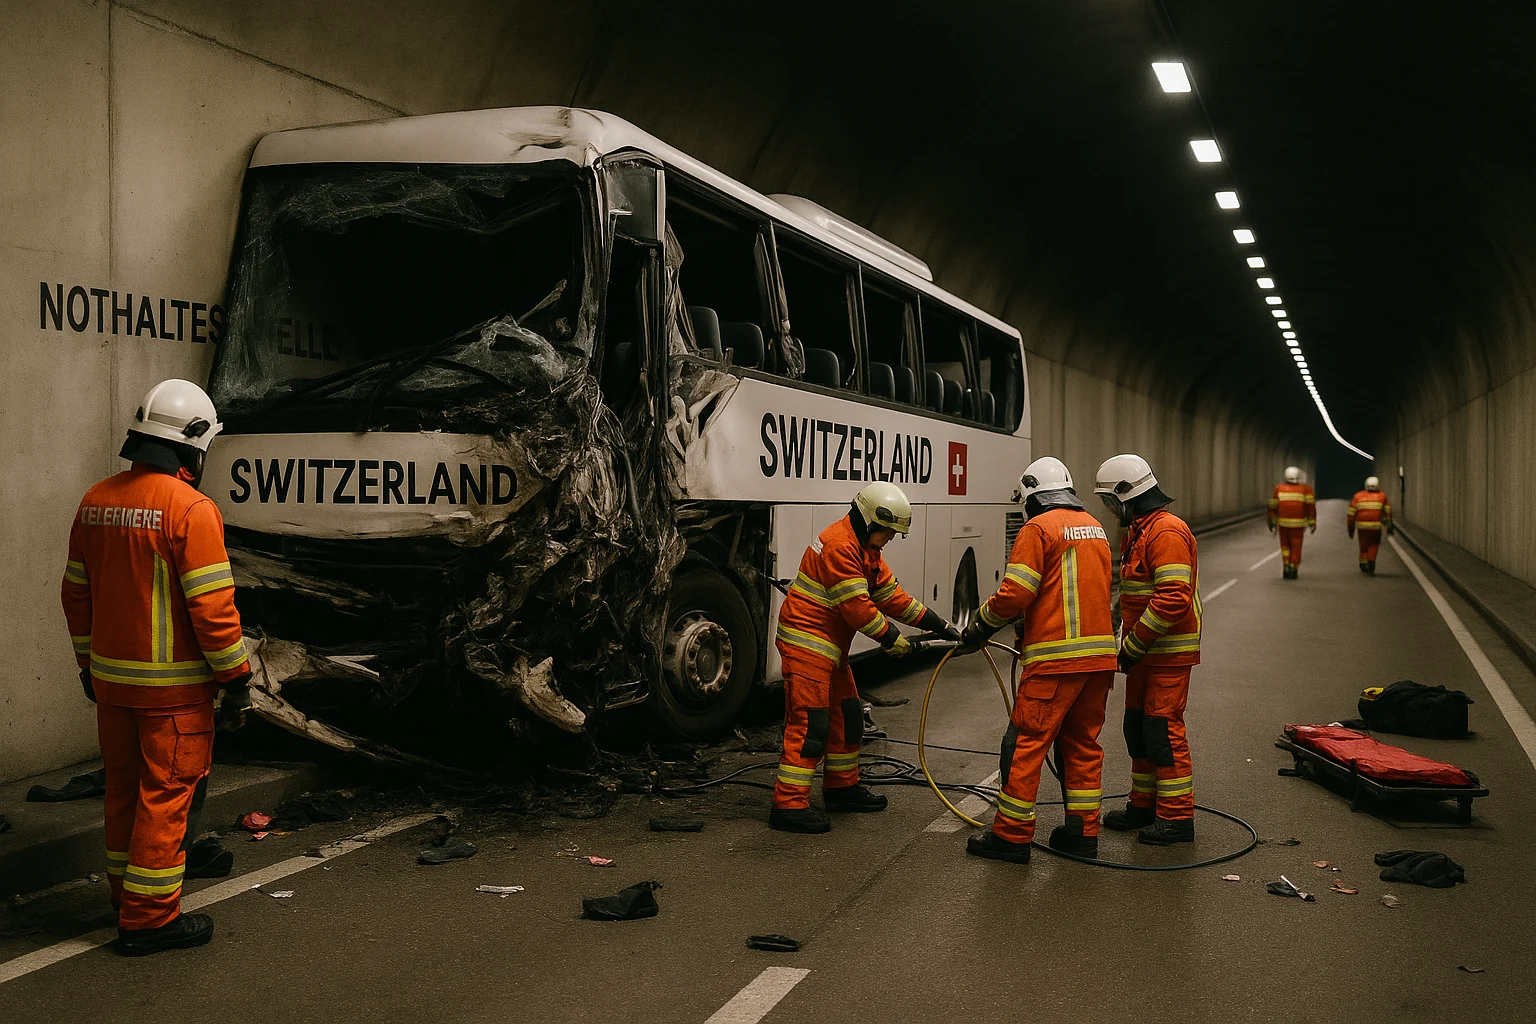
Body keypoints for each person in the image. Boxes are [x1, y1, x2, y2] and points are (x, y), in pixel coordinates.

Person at [60, 379, 252, 956]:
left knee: (123, 791)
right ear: (193, 444)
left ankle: (126, 895)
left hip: (111, 685)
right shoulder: (191, 509)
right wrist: (236, 679)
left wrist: (87, 666)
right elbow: (213, 610)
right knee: (165, 797)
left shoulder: (96, 501)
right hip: (175, 697)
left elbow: (75, 595)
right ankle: (148, 920)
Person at [771, 482, 959, 833]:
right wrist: (892, 640)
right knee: (810, 725)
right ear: (870, 520)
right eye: (888, 531)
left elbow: (892, 597)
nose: (890, 539)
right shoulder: (840, 545)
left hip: (829, 650)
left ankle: (842, 789)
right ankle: (789, 805)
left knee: (848, 717)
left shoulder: (866, 549)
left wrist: (939, 624)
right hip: (806, 645)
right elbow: (857, 608)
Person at [959, 457, 1116, 864]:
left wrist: (980, 626)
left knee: (1024, 744)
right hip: (1099, 661)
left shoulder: (1038, 528)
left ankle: (1011, 837)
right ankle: (1082, 834)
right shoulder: (1094, 527)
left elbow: (1017, 591)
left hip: (1056, 661)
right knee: (1081, 745)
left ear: (1031, 496)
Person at [1095, 455, 1200, 845]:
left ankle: (1176, 817)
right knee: (1137, 727)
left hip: (1166, 653)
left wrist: (1134, 644)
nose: (1110, 510)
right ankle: (1143, 805)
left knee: (1162, 731)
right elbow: (1134, 594)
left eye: (1111, 502)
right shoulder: (1140, 532)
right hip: (1144, 653)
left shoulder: (1166, 532)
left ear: (1129, 495)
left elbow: (1173, 597)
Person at [1267, 466, 1316, 579]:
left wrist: (1272, 521)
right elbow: (1310, 507)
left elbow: (1272, 506)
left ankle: (1286, 564)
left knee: (1285, 545)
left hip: (1283, 524)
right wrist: (1312, 523)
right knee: (1296, 546)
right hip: (1298, 525)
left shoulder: (1279, 488)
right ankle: (1293, 567)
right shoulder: (1305, 489)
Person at [1347, 475, 1394, 573]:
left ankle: (1363, 564)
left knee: (1363, 545)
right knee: (1374, 544)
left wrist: (1351, 528)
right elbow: (1387, 511)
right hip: (1376, 528)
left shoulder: (1358, 496)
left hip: (1362, 528)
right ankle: (1371, 561)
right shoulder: (1382, 496)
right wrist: (1389, 525)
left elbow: (1351, 514)